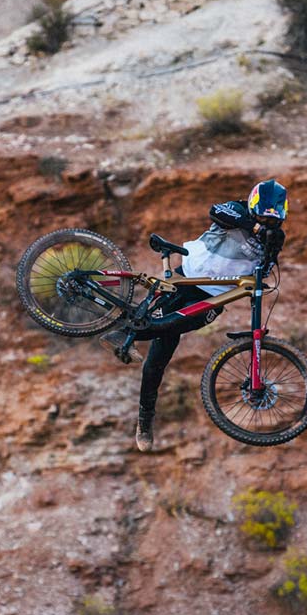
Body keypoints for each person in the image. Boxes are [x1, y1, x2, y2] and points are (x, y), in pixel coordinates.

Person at [102, 179, 288, 452]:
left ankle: (121, 337)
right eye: (261, 215)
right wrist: (255, 227)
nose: (265, 223)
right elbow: (216, 211)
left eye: (272, 220)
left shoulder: (276, 236)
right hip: (187, 279)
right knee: (158, 353)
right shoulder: (237, 210)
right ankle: (144, 418)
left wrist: (270, 245)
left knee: (168, 332)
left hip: (214, 296)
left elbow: (265, 266)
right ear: (253, 206)